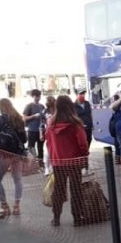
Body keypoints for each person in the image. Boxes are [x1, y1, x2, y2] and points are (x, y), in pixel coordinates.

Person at [46, 95, 89, 227]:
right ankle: (77, 218)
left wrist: (53, 157)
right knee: (76, 190)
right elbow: (83, 143)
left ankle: (56, 217)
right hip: (74, 161)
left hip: (58, 162)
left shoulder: (51, 124)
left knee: (59, 190)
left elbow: (48, 142)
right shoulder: (76, 124)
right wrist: (84, 156)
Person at [0, 99, 27, 216]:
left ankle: (4, 205)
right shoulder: (18, 118)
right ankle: (17, 206)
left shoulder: (1, 119)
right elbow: (24, 139)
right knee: (18, 179)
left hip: (5, 154)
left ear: (1, 107)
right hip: (18, 154)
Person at [75, 88, 94, 175]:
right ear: (77, 95)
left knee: (87, 148)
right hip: (80, 129)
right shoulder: (73, 105)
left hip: (88, 128)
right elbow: (73, 117)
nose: (82, 95)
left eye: (83, 94)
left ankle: (85, 167)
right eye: (80, 94)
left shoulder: (87, 104)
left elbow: (90, 114)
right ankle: (82, 167)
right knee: (81, 148)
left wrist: (92, 124)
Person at [23, 89, 45, 161]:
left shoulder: (42, 106)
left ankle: (41, 163)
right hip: (32, 130)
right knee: (31, 147)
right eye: (36, 96)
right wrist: (34, 116)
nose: (38, 98)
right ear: (32, 96)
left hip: (41, 130)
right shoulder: (29, 106)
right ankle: (32, 163)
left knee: (40, 147)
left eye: (39, 96)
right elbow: (24, 118)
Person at [42, 96, 56, 176]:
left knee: (54, 150)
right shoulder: (44, 111)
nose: (48, 102)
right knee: (47, 152)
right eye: (47, 101)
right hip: (48, 133)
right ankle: (46, 168)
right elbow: (42, 123)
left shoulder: (58, 110)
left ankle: (52, 166)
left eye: (50, 100)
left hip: (56, 133)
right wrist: (41, 133)